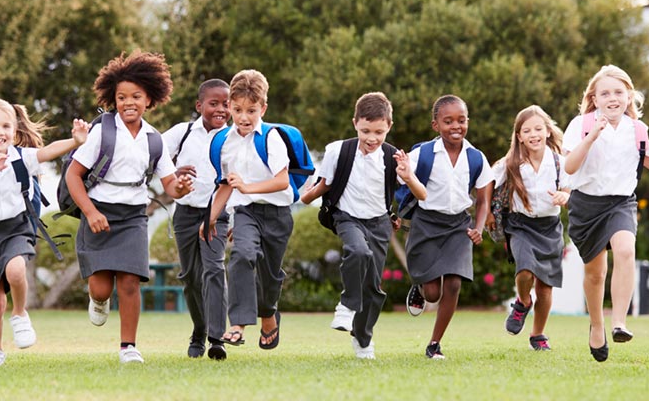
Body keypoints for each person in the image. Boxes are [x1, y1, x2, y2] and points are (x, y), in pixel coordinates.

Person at [66, 50, 194, 364]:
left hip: (134, 215)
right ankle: (98, 301)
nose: (128, 102)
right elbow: (73, 175)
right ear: (114, 99)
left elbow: (169, 185)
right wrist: (92, 212)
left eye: (136, 96)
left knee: (130, 280)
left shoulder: (155, 140)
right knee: (100, 288)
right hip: (99, 212)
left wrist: (181, 186)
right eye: (122, 97)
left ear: (149, 99)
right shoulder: (103, 131)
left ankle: (128, 347)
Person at [0, 98, 89, 367]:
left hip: (15, 226)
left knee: (15, 271)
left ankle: (21, 313)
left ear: (14, 131)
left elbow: (48, 152)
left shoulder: (22, 157)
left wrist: (75, 142)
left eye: (5, 126)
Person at [563, 64, 649, 362]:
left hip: (621, 203)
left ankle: (619, 322)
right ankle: (597, 325)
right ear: (595, 98)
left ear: (629, 96)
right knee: (595, 273)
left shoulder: (636, 129)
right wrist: (591, 137)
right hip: (586, 205)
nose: (613, 98)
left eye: (619, 92)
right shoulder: (581, 124)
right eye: (605, 93)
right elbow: (570, 166)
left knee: (626, 251)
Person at [300, 92, 423, 359]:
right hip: (347, 218)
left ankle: (363, 336)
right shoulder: (337, 151)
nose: (371, 138)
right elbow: (325, 186)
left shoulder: (394, 158)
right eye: (365, 130)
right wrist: (306, 195)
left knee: (374, 289)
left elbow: (421, 194)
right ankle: (346, 305)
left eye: (378, 131)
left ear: (389, 126)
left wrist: (408, 176)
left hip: (379, 224)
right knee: (358, 251)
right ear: (355, 122)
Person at [202, 69, 299, 352]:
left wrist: (247, 187)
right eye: (238, 109)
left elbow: (282, 181)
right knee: (242, 255)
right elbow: (225, 185)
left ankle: (268, 314)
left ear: (263, 108)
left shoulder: (271, 138)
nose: (244, 117)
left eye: (251, 110)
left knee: (270, 277)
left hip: (278, 215)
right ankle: (238, 324)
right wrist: (209, 218)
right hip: (246, 213)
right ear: (229, 105)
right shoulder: (223, 142)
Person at [402, 95, 493, 360]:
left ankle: (434, 344)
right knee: (433, 293)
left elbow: (483, 199)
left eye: (461, 120)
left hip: (458, 226)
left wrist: (479, 228)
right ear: (435, 125)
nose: (456, 126)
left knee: (453, 284)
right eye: (448, 121)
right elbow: (402, 180)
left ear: (468, 122)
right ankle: (419, 289)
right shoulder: (422, 154)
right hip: (426, 224)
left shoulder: (476, 158)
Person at [487, 105, 571, 351]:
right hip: (520, 225)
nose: (533, 134)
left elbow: (568, 188)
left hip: (550, 227)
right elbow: (487, 183)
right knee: (525, 272)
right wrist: (489, 214)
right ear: (519, 136)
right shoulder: (510, 163)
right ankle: (523, 302)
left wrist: (564, 196)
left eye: (538, 128)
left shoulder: (559, 162)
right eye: (527, 130)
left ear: (547, 131)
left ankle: (538, 334)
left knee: (545, 288)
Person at [162, 79, 231, 360]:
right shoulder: (183, 131)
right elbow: (155, 157)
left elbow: (236, 181)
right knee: (191, 278)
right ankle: (199, 331)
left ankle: (217, 338)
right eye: (213, 103)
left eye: (226, 104)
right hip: (185, 213)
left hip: (218, 213)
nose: (221, 109)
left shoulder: (234, 137)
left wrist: (232, 218)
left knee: (214, 270)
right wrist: (174, 171)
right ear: (199, 105)